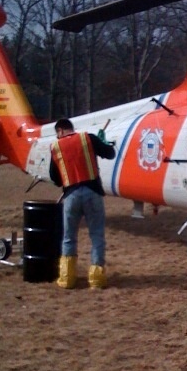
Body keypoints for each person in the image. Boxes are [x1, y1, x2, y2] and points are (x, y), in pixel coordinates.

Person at [49, 118, 116, 289]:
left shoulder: (56, 147)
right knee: (97, 236)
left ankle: (67, 278)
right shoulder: (88, 138)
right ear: (71, 128)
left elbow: (55, 178)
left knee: (69, 237)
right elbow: (110, 153)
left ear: (60, 131)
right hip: (93, 193)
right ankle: (96, 279)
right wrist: (102, 141)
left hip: (71, 195)